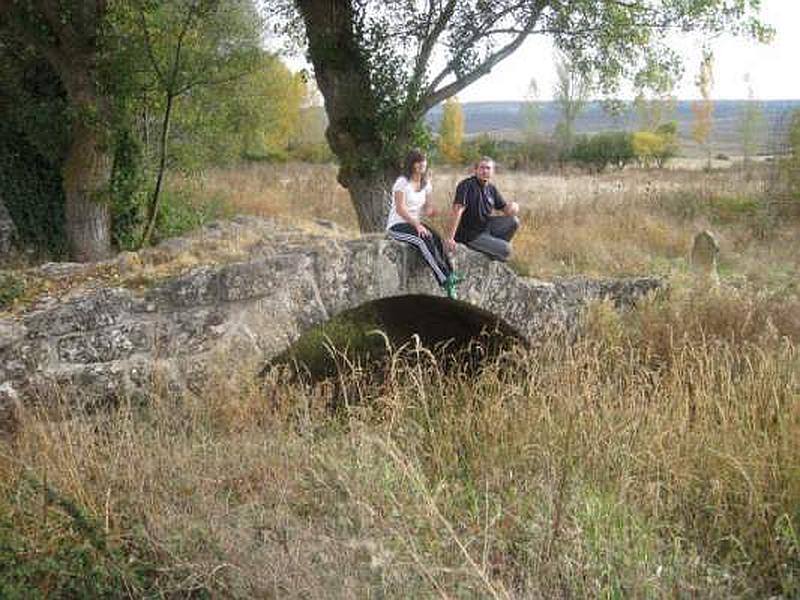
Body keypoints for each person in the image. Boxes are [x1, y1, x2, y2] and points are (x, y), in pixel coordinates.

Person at [386, 149, 462, 299]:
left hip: (415, 224)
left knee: (437, 238)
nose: (422, 164)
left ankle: (451, 275)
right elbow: (400, 209)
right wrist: (417, 225)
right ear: (411, 164)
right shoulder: (402, 182)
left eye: (424, 161)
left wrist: (441, 212)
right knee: (422, 239)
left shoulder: (426, 184)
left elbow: (428, 210)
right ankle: (445, 280)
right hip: (398, 226)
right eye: (418, 161)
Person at [445, 156, 520, 261]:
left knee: (514, 221)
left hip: (485, 228)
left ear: (493, 171)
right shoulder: (466, 186)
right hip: (469, 234)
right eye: (482, 168)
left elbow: (506, 210)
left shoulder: (491, 189)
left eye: (488, 168)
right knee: (508, 250)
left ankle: (492, 249)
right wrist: (450, 238)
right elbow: (457, 211)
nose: (485, 171)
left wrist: (514, 207)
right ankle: (495, 250)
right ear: (475, 170)